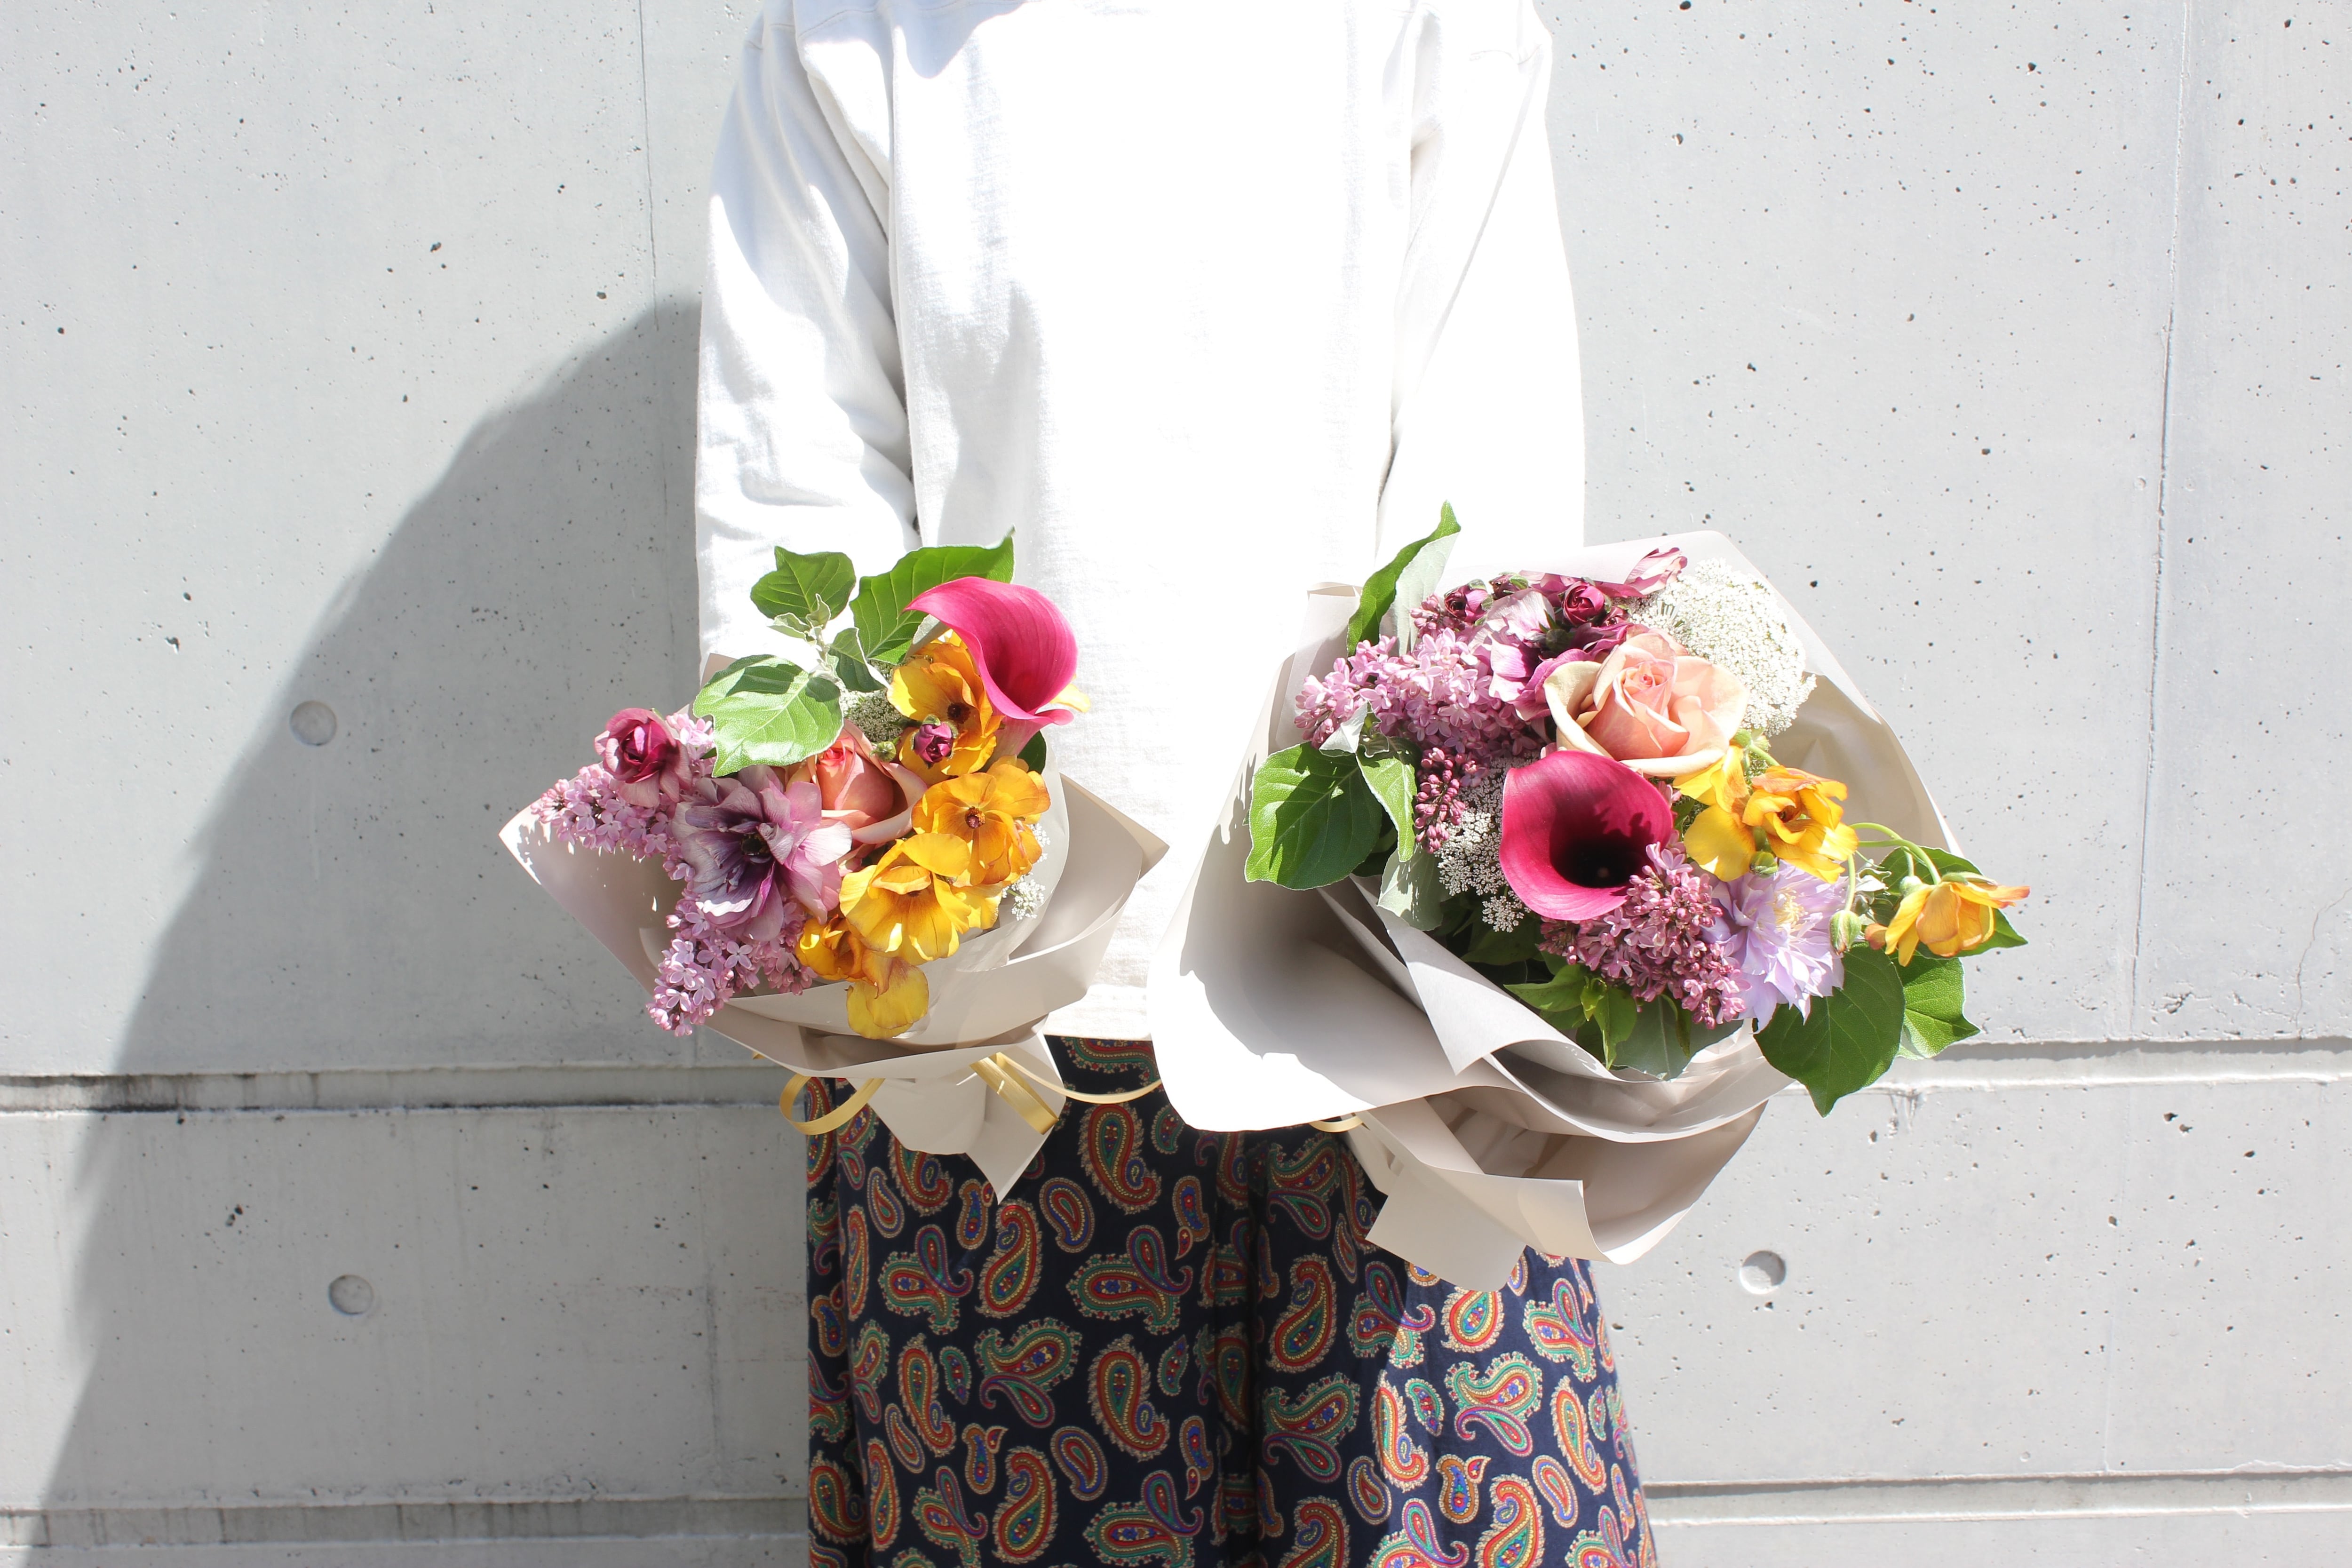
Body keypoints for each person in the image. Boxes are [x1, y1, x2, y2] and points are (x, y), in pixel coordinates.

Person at [696, 0, 1659, 1563]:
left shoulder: (1430, 24)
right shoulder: (857, 38)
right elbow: (794, 515)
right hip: (997, 1020)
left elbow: (1492, 511)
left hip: (1391, 1012)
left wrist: (1467, 903)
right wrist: (875, 886)